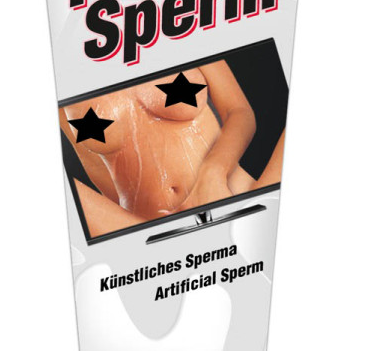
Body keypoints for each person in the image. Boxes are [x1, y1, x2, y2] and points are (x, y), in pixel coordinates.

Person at [60, 60, 283, 237]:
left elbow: (238, 111)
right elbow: (94, 163)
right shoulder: (61, 73)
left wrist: (212, 174)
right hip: (152, 233)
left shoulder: (184, 28)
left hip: (231, 196)